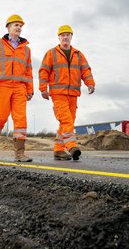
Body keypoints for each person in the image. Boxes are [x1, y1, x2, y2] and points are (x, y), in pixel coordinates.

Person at [39, 25, 95, 161]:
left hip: (73, 94)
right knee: (66, 120)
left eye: (68, 34)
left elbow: (85, 70)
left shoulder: (78, 54)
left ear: (71, 37)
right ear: (58, 37)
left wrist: (90, 83)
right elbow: (44, 71)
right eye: (62, 34)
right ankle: (71, 146)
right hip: (58, 93)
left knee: (65, 123)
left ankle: (58, 150)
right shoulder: (51, 53)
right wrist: (43, 88)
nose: (65, 37)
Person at [0, 14, 34, 162]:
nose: (19, 27)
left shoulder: (26, 50)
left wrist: (30, 89)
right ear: (8, 27)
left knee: (20, 119)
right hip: (2, 86)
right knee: (1, 117)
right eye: (16, 25)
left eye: (20, 25)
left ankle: (20, 153)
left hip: (19, 88)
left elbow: (28, 71)